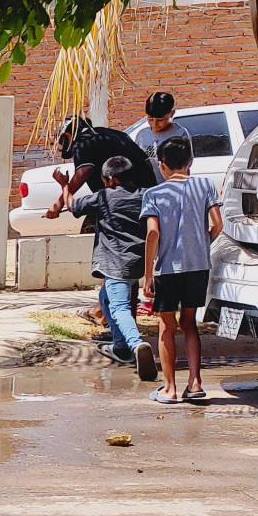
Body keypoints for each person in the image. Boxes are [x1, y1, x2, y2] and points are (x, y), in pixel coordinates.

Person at [140, 135, 222, 403]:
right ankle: (196, 384)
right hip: (198, 266)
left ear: (161, 165)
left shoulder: (153, 194)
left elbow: (153, 233)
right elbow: (217, 224)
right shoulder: (205, 185)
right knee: (189, 324)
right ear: (191, 162)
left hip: (167, 269)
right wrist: (202, 242)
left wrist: (148, 274)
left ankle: (170, 388)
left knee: (166, 326)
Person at [68, 155, 159, 382]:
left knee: (119, 308)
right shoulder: (144, 195)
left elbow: (73, 206)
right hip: (137, 264)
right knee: (108, 298)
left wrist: (64, 186)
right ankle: (120, 347)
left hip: (114, 264)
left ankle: (136, 345)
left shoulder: (103, 197)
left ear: (109, 180)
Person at [46, 115, 158, 220]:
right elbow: (146, 161)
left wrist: (59, 203)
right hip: (145, 195)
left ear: (68, 135)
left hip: (118, 201)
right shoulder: (115, 134)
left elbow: (83, 173)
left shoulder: (84, 141)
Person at [130, 91, 192, 180]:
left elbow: (186, 164)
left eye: (160, 120)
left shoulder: (180, 133)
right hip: (148, 186)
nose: (154, 124)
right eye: (150, 119)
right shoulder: (142, 135)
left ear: (172, 113)